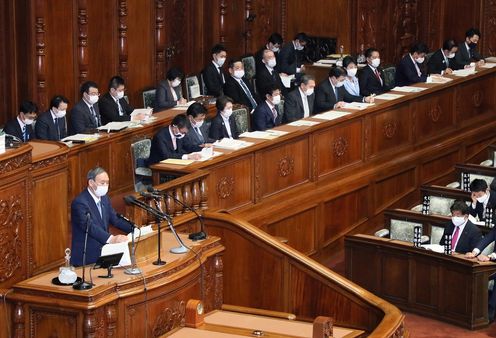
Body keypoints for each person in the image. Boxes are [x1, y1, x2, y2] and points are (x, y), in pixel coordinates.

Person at [70, 167, 132, 266]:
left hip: (104, 253)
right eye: (102, 183)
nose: (105, 186)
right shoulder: (80, 203)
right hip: (87, 258)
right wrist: (111, 239)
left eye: (107, 183)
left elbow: (115, 219)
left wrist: (134, 229)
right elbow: (89, 226)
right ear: (91, 183)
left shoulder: (104, 198)